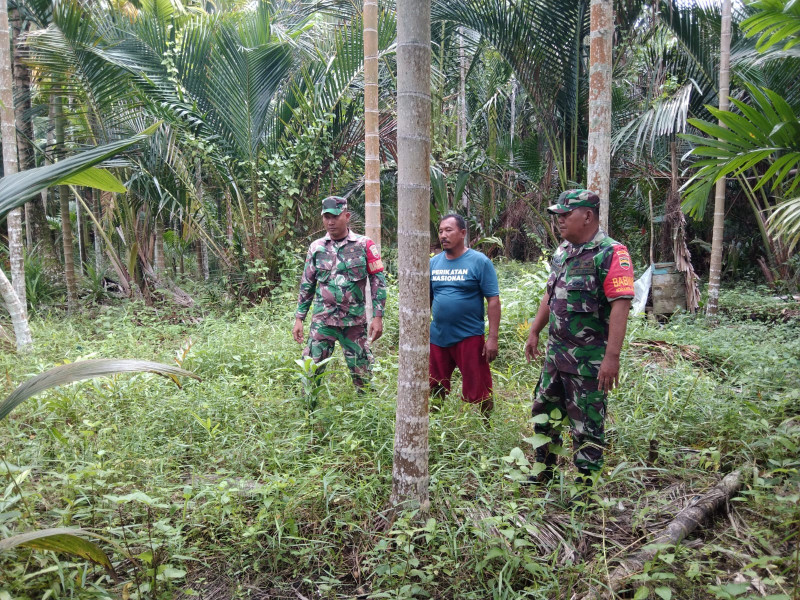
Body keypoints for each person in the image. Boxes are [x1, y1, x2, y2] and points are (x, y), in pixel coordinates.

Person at [524, 189, 634, 485]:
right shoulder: (564, 251)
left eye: (565, 214)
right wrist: (535, 330)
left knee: (586, 424)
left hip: (589, 361)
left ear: (587, 216)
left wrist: (612, 358)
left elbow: (620, 306)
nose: (559, 220)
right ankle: (543, 473)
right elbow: (551, 294)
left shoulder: (612, 253)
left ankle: (586, 488)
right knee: (543, 411)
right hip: (556, 357)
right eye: (557, 215)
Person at [293, 196, 387, 390]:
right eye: (326, 217)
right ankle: (308, 416)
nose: (330, 222)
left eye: (335, 216)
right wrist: (299, 318)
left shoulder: (364, 245)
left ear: (347, 216)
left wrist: (378, 317)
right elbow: (307, 284)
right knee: (310, 374)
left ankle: (367, 414)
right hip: (323, 322)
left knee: (363, 377)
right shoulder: (316, 247)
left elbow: (378, 281)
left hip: (353, 323)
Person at [429, 213, 501, 416]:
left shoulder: (479, 262)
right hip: (438, 336)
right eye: (441, 231)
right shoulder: (433, 263)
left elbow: (493, 301)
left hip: (469, 336)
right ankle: (433, 426)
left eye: (449, 230)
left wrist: (492, 338)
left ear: (462, 233)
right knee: (434, 384)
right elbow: (427, 299)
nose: (443, 235)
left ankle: (488, 428)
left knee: (480, 387)